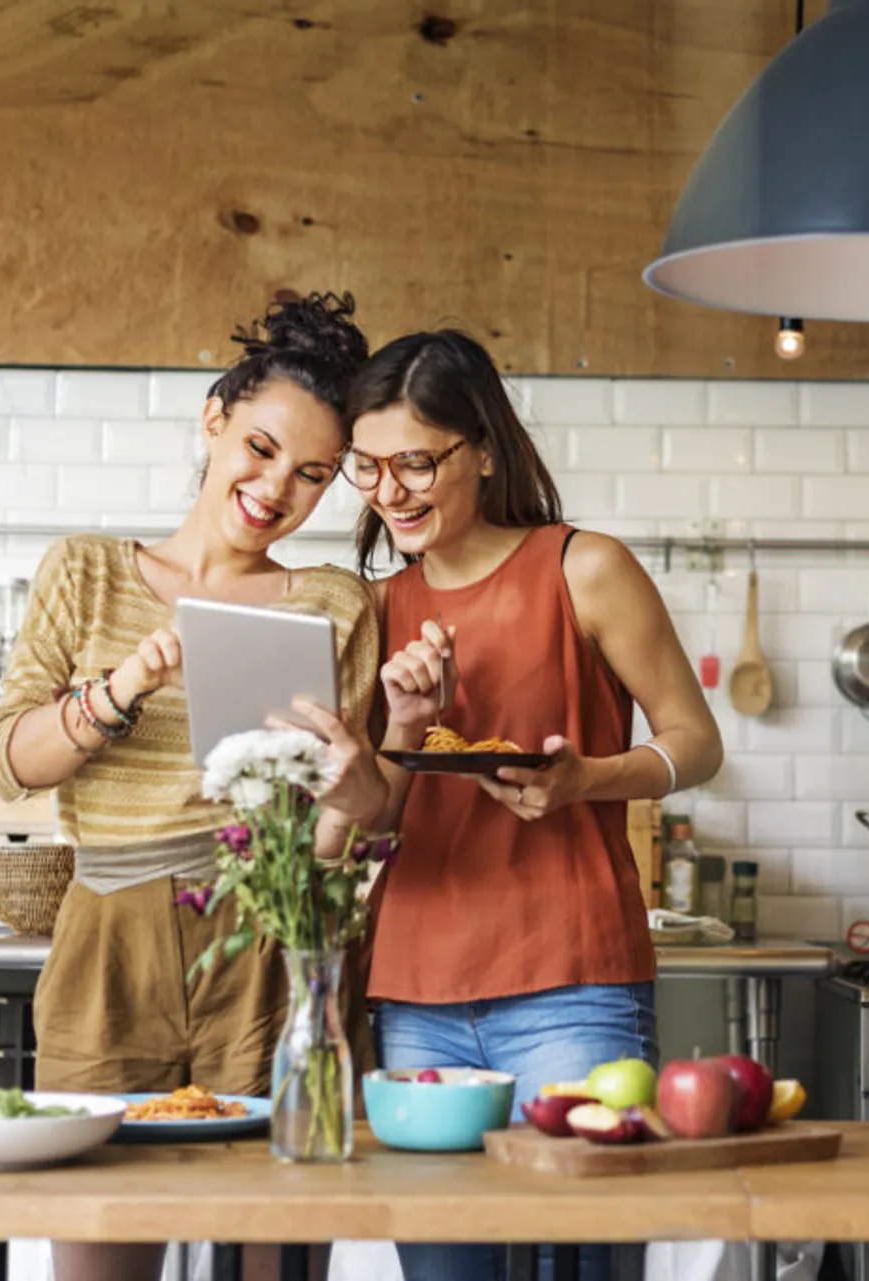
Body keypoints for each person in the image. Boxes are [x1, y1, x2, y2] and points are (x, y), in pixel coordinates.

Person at [0, 292, 384, 1281]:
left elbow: (361, 820)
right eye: (260, 447)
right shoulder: (84, 572)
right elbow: (9, 764)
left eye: (313, 476)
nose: (275, 488)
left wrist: (354, 776)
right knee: (97, 1254)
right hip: (107, 942)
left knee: (275, 1258)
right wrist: (120, 690)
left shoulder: (338, 601)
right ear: (214, 418)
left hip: (267, 942)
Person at [348, 330, 723, 1281]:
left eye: (414, 462)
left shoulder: (582, 568)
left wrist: (586, 779)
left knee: (589, 1267)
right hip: (417, 990)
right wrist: (406, 716)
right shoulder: (375, 609)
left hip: (571, 980)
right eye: (367, 465)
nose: (389, 490)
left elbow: (695, 740)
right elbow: (382, 816)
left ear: (481, 446)